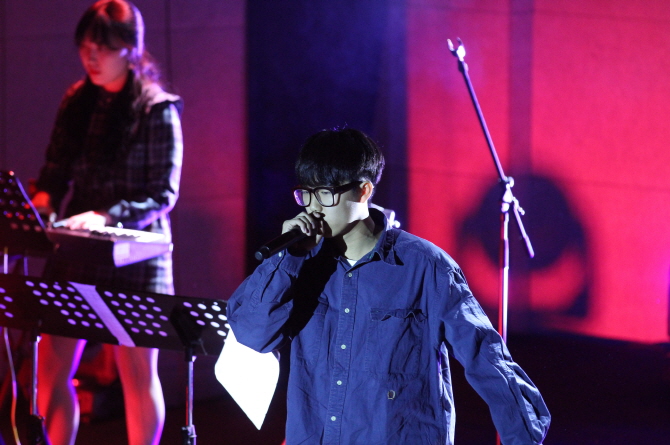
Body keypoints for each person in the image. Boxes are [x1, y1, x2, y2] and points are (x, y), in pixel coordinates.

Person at [227, 128, 550, 444]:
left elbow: (486, 358)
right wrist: (288, 259)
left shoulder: (426, 266)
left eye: (325, 193)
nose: (313, 207)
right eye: (306, 193)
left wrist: (523, 436)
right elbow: (252, 335)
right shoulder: (299, 265)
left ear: (363, 191)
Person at [31, 1, 183, 444]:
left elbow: (162, 193)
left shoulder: (157, 109)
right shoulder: (78, 99)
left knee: (137, 373)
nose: (91, 57)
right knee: (51, 367)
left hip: (139, 252)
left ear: (129, 49)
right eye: (85, 47)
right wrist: (43, 202)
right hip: (78, 249)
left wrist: (105, 216)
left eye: (102, 48)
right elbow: (56, 168)